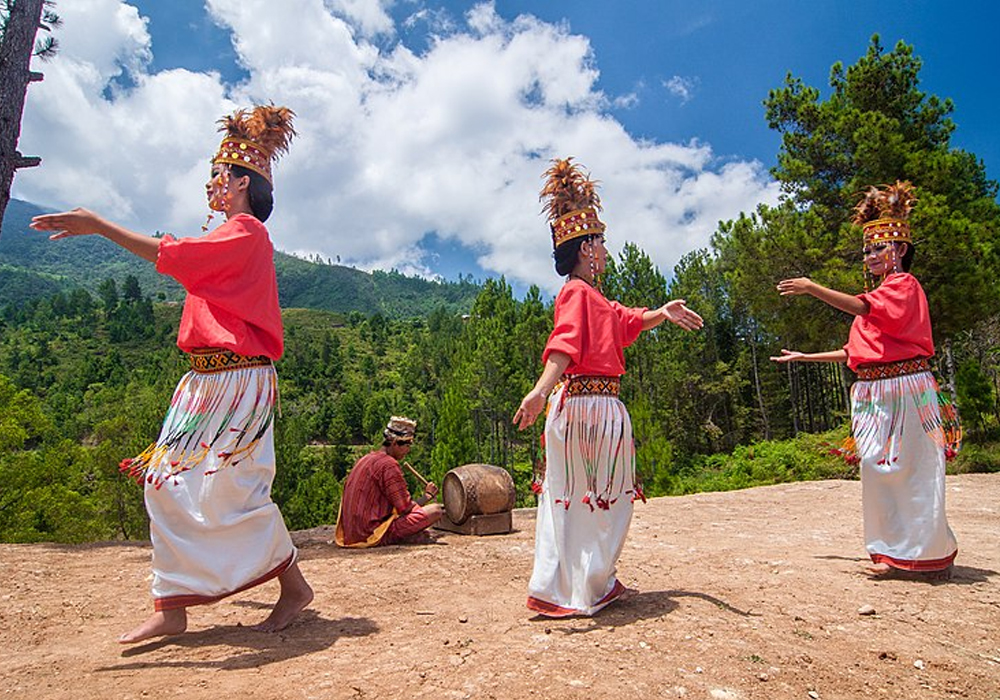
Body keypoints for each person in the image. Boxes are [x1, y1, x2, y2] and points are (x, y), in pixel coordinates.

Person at [30, 104, 314, 642]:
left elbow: (173, 255)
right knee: (164, 484)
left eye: (217, 176)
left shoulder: (246, 234)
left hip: (237, 380)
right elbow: (184, 258)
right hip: (204, 382)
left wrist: (98, 226)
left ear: (240, 182)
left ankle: (293, 587)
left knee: (234, 492)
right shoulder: (224, 239)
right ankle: (173, 603)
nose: (211, 185)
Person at [513, 158, 704, 617]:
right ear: (585, 248)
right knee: (597, 499)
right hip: (587, 406)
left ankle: (575, 584)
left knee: (587, 498)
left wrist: (662, 312)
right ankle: (581, 586)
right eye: (600, 242)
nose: (605, 250)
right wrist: (540, 390)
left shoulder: (593, 297)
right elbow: (564, 344)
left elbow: (625, 319)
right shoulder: (577, 294)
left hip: (589, 407)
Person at [771, 180, 959, 579]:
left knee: (911, 468)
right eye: (868, 249)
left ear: (901, 249)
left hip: (905, 387)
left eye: (880, 248)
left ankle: (923, 553)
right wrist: (806, 357)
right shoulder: (879, 301)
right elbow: (855, 352)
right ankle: (893, 550)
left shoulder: (903, 287)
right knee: (879, 467)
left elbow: (860, 307)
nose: (872, 255)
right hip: (877, 391)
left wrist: (811, 288)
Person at [335, 416, 444, 547]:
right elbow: (404, 508)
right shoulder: (389, 465)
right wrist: (428, 497)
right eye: (406, 445)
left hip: (351, 534)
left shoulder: (365, 458)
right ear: (394, 443)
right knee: (436, 511)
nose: (408, 450)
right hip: (370, 533)